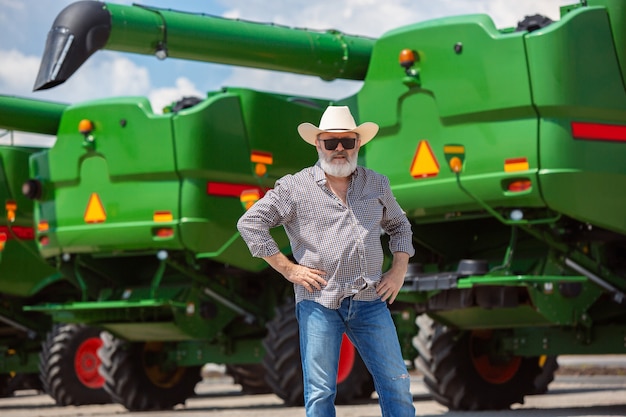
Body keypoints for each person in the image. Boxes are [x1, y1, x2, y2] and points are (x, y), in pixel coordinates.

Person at [237, 106, 415, 417]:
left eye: (347, 142)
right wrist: (288, 268)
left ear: (358, 143)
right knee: (320, 392)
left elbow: (400, 226)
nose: (339, 150)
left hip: (370, 300)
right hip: (319, 302)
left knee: (396, 383)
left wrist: (398, 270)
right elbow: (250, 223)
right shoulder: (294, 187)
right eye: (331, 143)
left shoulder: (377, 184)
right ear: (318, 145)